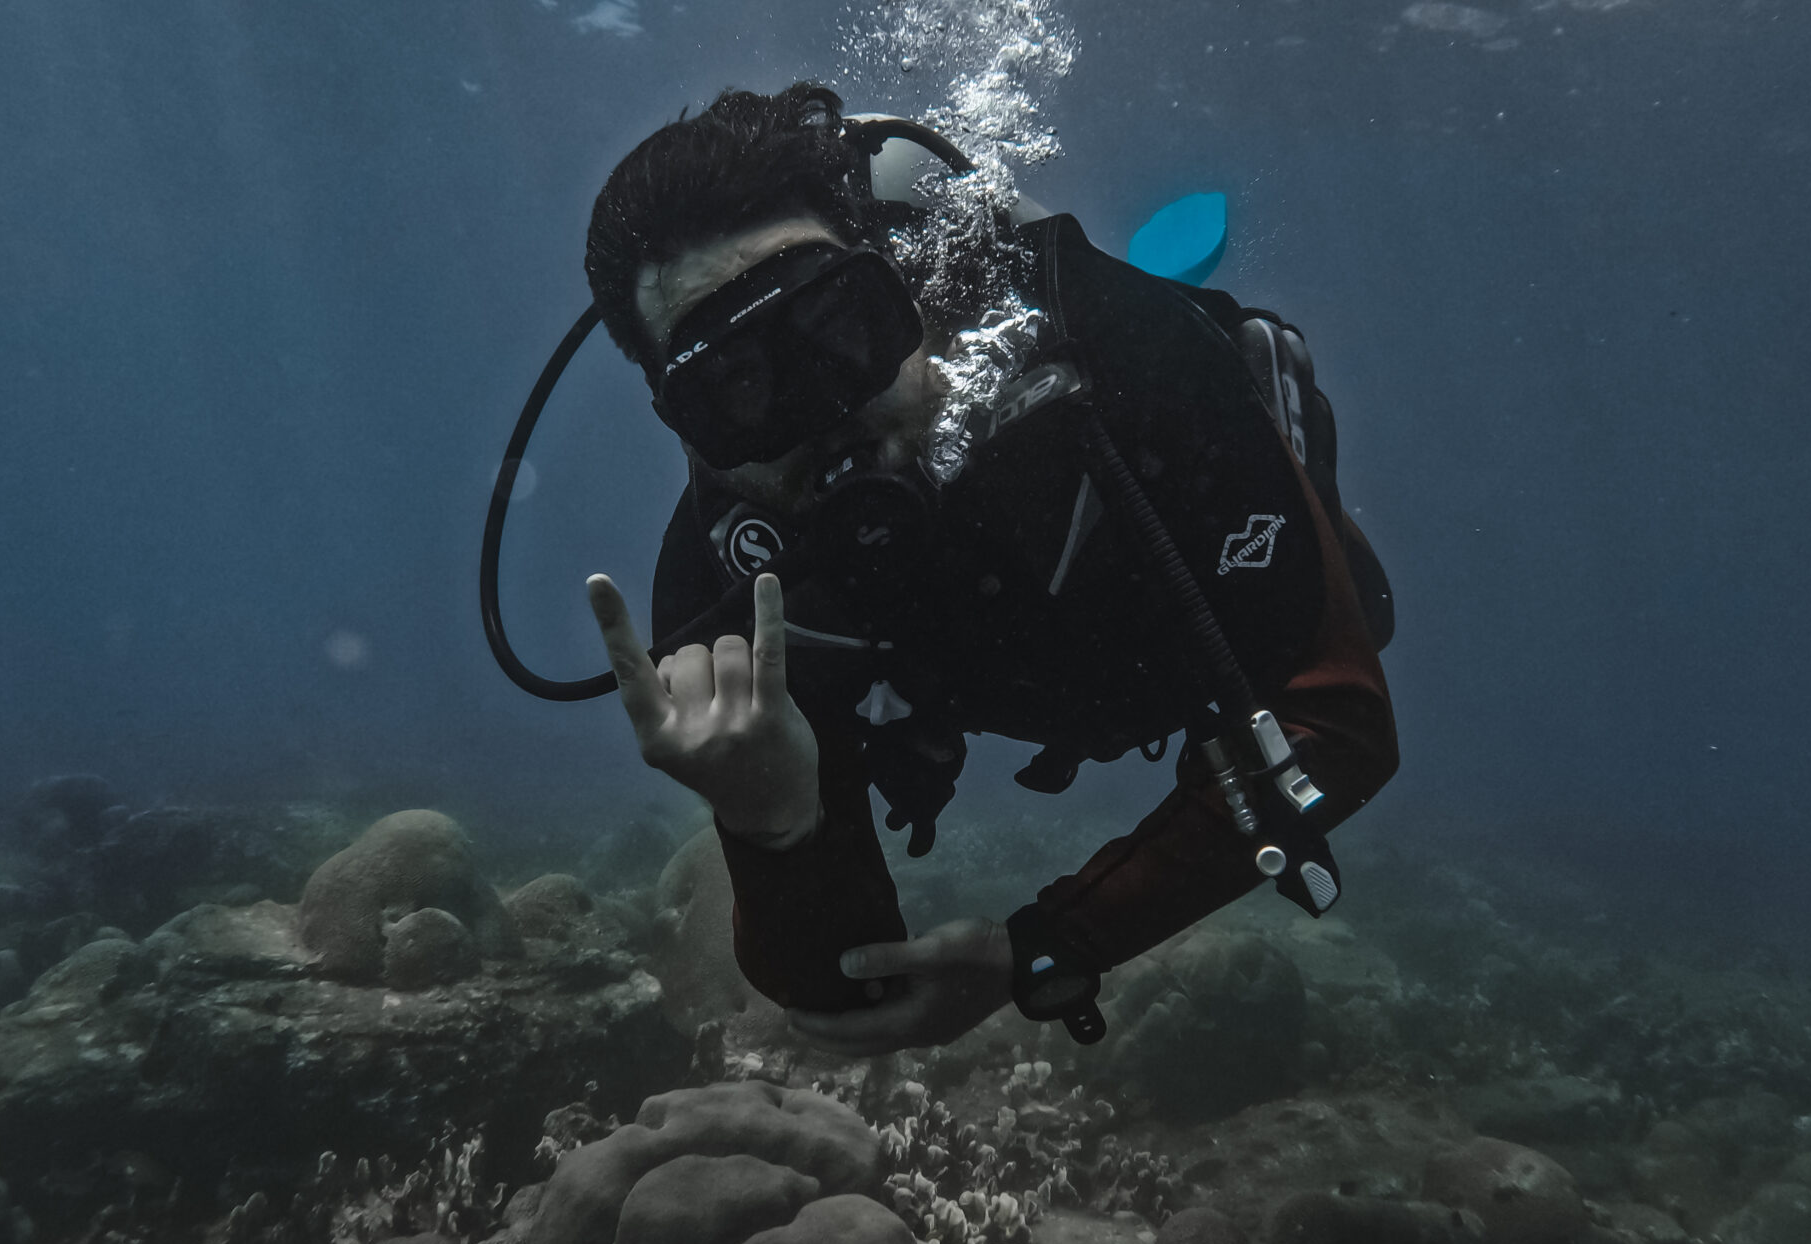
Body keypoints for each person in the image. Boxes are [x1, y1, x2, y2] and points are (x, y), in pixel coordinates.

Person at [578, 83, 1397, 1059]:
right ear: (690, 434)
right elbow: (835, 994)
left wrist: (1048, 948)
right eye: (736, 387)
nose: (825, 413)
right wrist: (773, 823)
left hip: (1155, 600)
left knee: (1363, 602)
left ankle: (1251, 377)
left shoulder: (1119, 364)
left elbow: (1337, 722)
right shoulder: (741, 592)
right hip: (1018, 663)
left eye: (840, 329)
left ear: (906, 287)